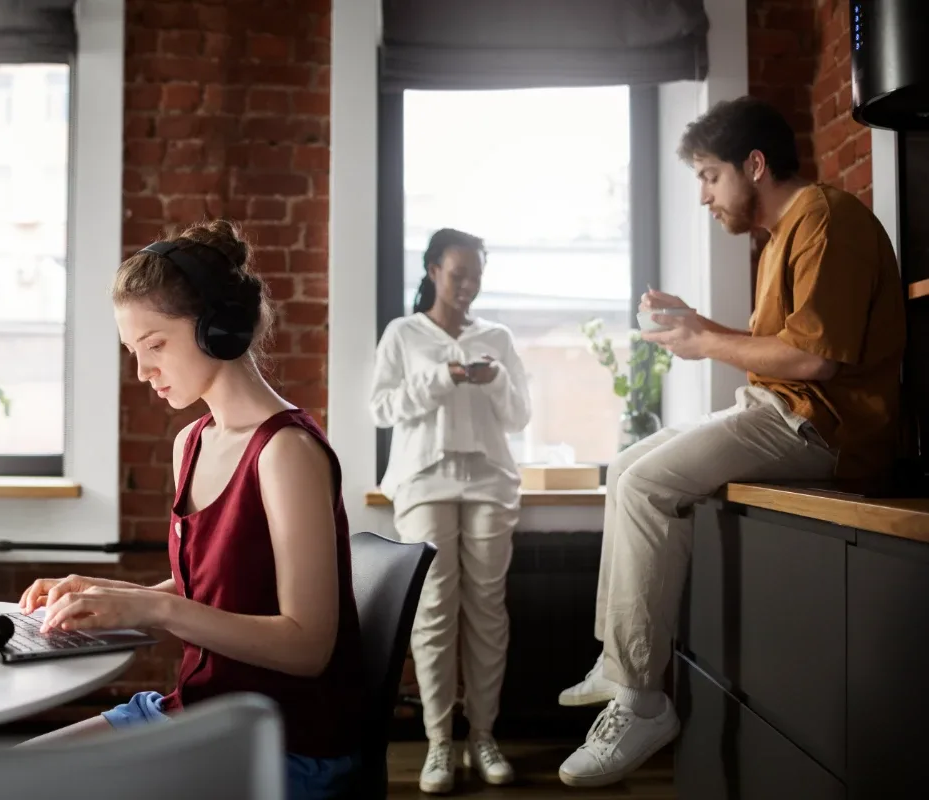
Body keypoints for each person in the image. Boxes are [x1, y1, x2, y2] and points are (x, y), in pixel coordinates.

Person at [556, 96, 906, 788]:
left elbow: (816, 363)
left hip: (820, 427)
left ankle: (642, 700)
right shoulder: (783, 236)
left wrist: (703, 340)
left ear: (754, 165)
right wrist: (700, 326)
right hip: (783, 410)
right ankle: (621, 659)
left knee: (647, 483)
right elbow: (782, 348)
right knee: (628, 465)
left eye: (710, 177)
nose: (703, 197)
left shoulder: (826, 220)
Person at [17, 220, 365, 800]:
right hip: (194, 713)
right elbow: (215, 587)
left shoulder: (287, 452)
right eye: (133, 351)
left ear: (218, 329)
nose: (142, 371)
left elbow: (308, 647)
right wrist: (106, 595)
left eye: (154, 345)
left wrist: (152, 608)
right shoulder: (193, 442)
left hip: (277, 741)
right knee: (11, 775)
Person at [370, 228, 531, 794]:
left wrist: (493, 378)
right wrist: (446, 377)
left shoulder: (498, 336)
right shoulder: (403, 333)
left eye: (477, 276)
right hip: (422, 482)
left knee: (488, 610)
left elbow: (519, 416)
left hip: (489, 480)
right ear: (434, 270)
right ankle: (440, 741)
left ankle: (483, 736)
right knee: (433, 610)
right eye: (459, 274)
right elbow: (382, 407)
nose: (468, 286)